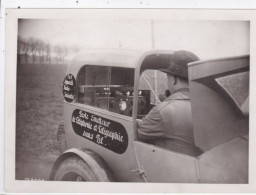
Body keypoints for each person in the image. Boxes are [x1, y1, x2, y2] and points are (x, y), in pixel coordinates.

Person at [137, 50, 203, 157]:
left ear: (174, 80)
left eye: (168, 78)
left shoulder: (162, 111)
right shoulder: (208, 105)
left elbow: (137, 134)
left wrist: (137, 122)